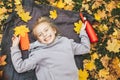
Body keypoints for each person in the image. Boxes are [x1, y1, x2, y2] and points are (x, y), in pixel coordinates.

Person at [10, 17, 90, 80]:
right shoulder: (39, 53)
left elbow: (85, 48)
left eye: (46, 30)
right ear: (39, 40)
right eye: (40, 35)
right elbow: (20, 67)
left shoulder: (66, 42)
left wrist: (83, 32)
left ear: (54, 30)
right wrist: (15, 47)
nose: (44, 34)